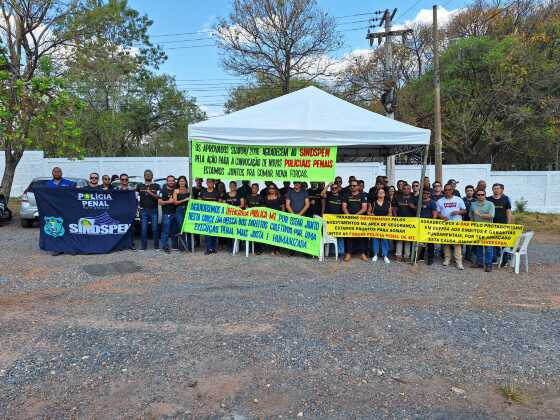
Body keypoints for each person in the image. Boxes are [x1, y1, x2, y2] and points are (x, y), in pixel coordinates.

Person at [436, 184, 467, 270]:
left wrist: (458, 212)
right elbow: (437, 212)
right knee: (446, 242)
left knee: (457, 243)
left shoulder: (458, 199)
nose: (447, 191)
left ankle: (458, 262)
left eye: (449, 189)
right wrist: (442, 217)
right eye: (445, 190)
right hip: (445, 224)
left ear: (452, 190)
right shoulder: (440, 201)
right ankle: (447, 259)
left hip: (457, 224)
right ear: (443, 191)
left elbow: (464, 210)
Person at [342, 179, 368, 262]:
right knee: (349, 236)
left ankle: (362, 253)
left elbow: (364, 208)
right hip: (349, 219)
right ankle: (348, 254)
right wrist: (349, 217)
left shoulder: (362, 195)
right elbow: (344, 207)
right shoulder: (346, 195)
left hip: (359, 219)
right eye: (351, 186)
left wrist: (355, 216)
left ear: (358, 186)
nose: (352, 187)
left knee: (360, 236)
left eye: (354, 186)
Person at [470, 190, 496, 272]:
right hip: (477, 228)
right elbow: (471, 216)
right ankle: (479, 262)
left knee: (488, 247)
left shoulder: (490, 204)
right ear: (476, 195)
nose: (480, 196)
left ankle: (488, 264)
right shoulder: (473, 204)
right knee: (479, 246)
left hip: (488, 229)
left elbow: (491, 216)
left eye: (482, 194)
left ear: (485, 195)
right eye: (479, 194)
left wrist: (480, 214)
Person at [487, 183, 512, 266]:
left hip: (503, 224)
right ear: (492, 190)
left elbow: (508, 212)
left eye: (498, 188)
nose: (496, 190)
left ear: (501, 190)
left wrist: (508, 224)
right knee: (493, 243)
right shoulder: (489, 199)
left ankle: (505, 260)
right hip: (491, 225)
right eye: (494, 188)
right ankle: (494, 259)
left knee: (503, 243)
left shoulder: (505, 199)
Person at [136, 169, 161, 250]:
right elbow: (135, 197)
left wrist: (150, 192)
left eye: (149, 174)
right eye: (146, 174)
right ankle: (143, 247)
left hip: (154, 210)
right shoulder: (139, 186)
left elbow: (158, 197)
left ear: (152, 176)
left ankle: (156, 246)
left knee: (155, 229)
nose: (148, 175)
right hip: (143, 210)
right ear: (144, 176)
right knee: (143, 229)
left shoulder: (156, 186)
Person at [392, 183, 417, 261]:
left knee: (408, 239)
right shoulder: (397, 198)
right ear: (402, 190)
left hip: (411, 222)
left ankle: (407, 255)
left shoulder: (414, 199)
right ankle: (398, 255)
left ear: (410, 190)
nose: (406, 190)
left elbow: (418, 210)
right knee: (399, 238)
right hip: (400, 221)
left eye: (408, 188)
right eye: (404, 188)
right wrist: (396, 217)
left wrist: (413, 207)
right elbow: (394, 209)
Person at [321, 181, 345, 256]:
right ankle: (331, 252)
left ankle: (340, 252)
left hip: (338, 219)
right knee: (329, 235)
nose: (334, 189)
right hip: (328, 219)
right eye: (332, 188)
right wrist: (328, 185)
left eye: (336, 188)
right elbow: (322, 194)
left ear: (338, 188)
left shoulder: (342, 197)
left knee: (340, 236)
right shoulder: (328, 194)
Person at [199, 179, 222, 254]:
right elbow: (199, 201)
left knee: (214, 231)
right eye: (208, 182)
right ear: (206, 183)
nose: (210, 183)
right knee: (207, 232)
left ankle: (214, 248)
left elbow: (220, 202)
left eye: (211, 182)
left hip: (214, 214)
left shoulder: (217, 192)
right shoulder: (203, 191)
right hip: (206, 214)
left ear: (213, 183)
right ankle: (208, 248)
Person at [370, 188, 391, 264]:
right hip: (375, 224)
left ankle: (385, 255)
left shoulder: (388, 203)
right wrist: (371, 214)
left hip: (384, 224)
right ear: (377, 194)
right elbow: (369, 212)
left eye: (382, 192)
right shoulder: (373, 203)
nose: (381, 193)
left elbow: (390, 213)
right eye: (379, 192)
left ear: (385, 194)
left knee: (384, 239)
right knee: (375, 239)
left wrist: (387, 216)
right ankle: (375, 254)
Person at [158, 175, 178, 253]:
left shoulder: (176, 190)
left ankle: (174, 245)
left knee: (174, 231)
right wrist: (168, 202)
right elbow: (159, 202)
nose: (171, 182)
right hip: (167, 214)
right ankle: (164, 246)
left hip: (175, 213)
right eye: (169, 180)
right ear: (167, 181)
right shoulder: (162, 190)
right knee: (165, 231)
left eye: (172, 180)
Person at [264, 183, 285, 255]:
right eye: (270, 188)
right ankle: (272, 250)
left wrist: (282, 216)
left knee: (277, 233)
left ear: (276, 189)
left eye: (273, 188)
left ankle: (277, 249)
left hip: (278, 218)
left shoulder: (279, 197)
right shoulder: (266, 197)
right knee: (271, 234)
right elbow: (265, 208)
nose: (271, 190)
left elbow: (282, 207)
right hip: (269, 218)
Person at [418, 189, 437, 265]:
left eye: (427, 193)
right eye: (424, 193)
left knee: (430, 242)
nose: (425, 194)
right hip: (420, 225)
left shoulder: (432, 203)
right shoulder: (420, 202)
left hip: (428, 225)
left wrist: (431, 224)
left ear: (429, 194)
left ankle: (430, 258)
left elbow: (435, 214)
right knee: (421, 241)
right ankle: (421, 256)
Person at [117, 174, 136, 251]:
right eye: (122, 179)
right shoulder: (116, 189)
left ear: (128, 180)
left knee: (130, 229)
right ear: (120, 180)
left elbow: (136, 200)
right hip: (119, 211)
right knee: (120, 228)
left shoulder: (132, 189)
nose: (124, 181)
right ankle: (120, 245)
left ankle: (130, 244)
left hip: (129, 212)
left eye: (126, 179)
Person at [173, 176, 191, 252]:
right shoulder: (176, 191)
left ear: (186, 182)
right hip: (179, 210)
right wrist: (185, 199)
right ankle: (182, 247)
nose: (182, 182)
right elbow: (175, 202)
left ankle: (190, 246)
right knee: (181, 228)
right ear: (178, 182)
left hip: (188, 210)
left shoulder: (189, 190)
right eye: (180, 181)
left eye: (183, 181)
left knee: (189, 228)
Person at [462, 185, 477, 262]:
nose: (469, 192)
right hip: (462, 221)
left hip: (472, 222)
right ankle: (459, 255)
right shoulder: (462, 200)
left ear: (473, 191)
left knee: (470, 239)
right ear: (465, 191)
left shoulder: (476, 201)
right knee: (461, 239)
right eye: (467, 190)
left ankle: (469, 255)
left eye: (471, 190)